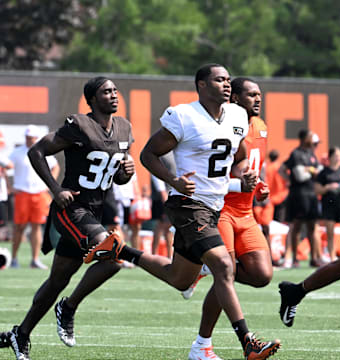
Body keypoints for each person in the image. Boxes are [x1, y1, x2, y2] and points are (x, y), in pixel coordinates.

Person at [84, 65, 280, 360]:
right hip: (188, 205)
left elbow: (237, 156)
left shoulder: (238, 116)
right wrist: (173, 179)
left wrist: (244, 178)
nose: (226, 84)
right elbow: (148, 153)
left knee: (179, 279)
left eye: (228, 80)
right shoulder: (184, 116)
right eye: (219, 79)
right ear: (201, 85)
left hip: (213, 205)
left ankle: (120, 250)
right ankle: (248, 341)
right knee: (224, 266)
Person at [0, 76, 135, 360]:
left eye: (114, 90)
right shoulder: (79, 125)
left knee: (57, 280)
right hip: (72, 209)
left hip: (95, 211)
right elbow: (36, 151)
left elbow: (117, 178)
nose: (113, 95)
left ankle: (20, 334)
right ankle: (69, 307)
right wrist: (55, 188)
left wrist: (126, 172)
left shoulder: (124, 127)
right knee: (114, 259)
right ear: (91, 99)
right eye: (105, 91)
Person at [182, 77, 280, 360]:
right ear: (234, 99)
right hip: (220, 208)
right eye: (251, 95)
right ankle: (202, 345)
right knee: (227, 273)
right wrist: (239, 185)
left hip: (246, 212)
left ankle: (205, 267)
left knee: (262, 275)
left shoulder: (260, 127)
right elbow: (211, 174)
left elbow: (250, 167)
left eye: (259, 94)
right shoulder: (221, 126)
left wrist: (259, 184)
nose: (258, 99)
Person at [278, 95, 340, 328]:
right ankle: (292, 270)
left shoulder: (313, 156)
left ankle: (295, 292)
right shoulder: (297, 154)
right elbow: (295, 173)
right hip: (305, 196)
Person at [9, 125, 60, 269]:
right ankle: (13, 258)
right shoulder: (17, 152)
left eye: (31, 137)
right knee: (19, 227)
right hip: (22, 192)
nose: (29, 140)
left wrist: (50, 184)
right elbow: (6, 167)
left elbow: (55, 167)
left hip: (38, 193)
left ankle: (35, 259)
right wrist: (9, 186)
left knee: (36, 226)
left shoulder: (43, 151)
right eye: (27, 137)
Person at [279, 129, 323, 268]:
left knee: (312, 226)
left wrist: (309, 170)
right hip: (299, 194)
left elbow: (319, 171)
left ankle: (315, 258)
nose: (313, 142)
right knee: (297, 226)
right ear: (304, 139)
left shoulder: (310, 154)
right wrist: (290, 179)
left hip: (311, 194)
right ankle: (294, 258)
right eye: (311, 138)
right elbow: (299, 175)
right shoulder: (296, 154)